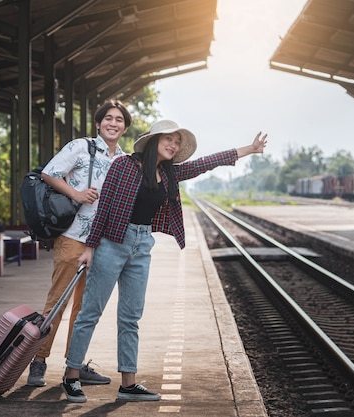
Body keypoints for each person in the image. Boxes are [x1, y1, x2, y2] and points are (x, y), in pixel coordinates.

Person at [60, 119, 268, 403]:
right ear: (153, 141)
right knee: (90, 312)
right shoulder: (123, 166)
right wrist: (90, 247)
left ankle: (128, 384)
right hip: (112, 243)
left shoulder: (169, 174)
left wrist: (250, 149)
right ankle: (72, 375)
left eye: (177, 141)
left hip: (142, 245)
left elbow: (208, 162)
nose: (174, 144)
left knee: (131, 317)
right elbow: (104, 207)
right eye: (168, 139)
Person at [26, 99, 133, 387]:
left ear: (125, 127)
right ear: (98, 123)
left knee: (84, 309)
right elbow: (49, 172)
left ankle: (74, 366)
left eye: (119, 119)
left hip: (101, 243)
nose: (113, 123)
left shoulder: (123, 160)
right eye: (108, 118)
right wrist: (75, 194)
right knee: (57, 301)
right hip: (73, 236)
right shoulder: (81, 146)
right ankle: (38, 361)